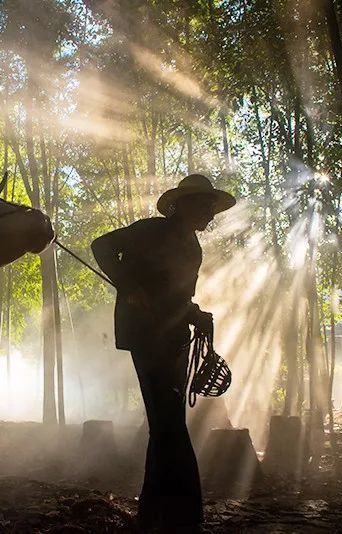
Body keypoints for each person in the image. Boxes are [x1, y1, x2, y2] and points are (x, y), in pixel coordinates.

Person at [91, 174, 235, 529]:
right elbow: (102, 246)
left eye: (211, 207)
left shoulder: (193, 248)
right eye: (203, 204)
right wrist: (129, 285)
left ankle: (158, 510)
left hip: (174, 336)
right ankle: (179, 512)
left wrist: (194, 314)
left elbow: (176, 298)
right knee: (167, 422)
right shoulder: (151, 231)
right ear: (181, 205)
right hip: (145, 334)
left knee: (166, 423)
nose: (209, 212)